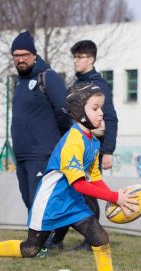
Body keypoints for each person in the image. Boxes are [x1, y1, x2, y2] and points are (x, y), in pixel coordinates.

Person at [0, 82, 140, 271]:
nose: (101, 112)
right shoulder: (73, 140)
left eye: (101, 108)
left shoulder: (93, 142)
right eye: (95, 108)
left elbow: (93, 178)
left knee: (100, 238)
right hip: (51, 203)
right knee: (30, 249)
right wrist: (115, 198)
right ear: (79, 112)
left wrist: (115, 196)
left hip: (73, 203)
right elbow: (79, 184)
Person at [51, 40, 120, 251]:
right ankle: (56, 239)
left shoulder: (99, 86)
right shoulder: (74, 85)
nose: (75, 61)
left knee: (88, 192)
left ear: (90, 59)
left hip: (91, 149)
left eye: (79, 57)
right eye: (74, 57)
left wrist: (107, 151)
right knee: (68, 191)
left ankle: (92, 240)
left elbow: (110, 118)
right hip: (73, 148)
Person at [10, 31, 72, 211]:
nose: (20, 59)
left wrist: (54, 138)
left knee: (41, 204)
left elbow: (64, 110)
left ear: (34, 55)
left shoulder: (48, 77)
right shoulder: (19, 82)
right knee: (30, 202)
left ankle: (50, 239)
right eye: (16, 56)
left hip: (42, 154)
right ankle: (41, 239)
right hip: (22, 155)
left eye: (24, 55)